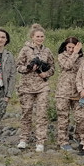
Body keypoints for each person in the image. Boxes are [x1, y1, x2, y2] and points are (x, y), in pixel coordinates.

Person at [16, 24, 55, 152]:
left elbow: (52, 67)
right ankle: (23, 139)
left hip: (42, 86)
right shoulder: (25, 49)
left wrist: (46, 73)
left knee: (42, 113)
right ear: (32, 37)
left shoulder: (47, 51)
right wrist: (27, 69)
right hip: (26, 86)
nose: (40, 38)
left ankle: (40, 141)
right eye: (37, 36)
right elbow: (18, 66)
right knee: (26, 113)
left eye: (42, 36)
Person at [55, 37, 83, 151]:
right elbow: (67, 66)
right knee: (63, 117)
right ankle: (63, 140)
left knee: (80, 116)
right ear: (65, 47)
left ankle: (78, 136)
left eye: (73, 47)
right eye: (69, 47)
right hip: (63, 91)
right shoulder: (61, 56)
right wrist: (75, 53)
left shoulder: (82, 58)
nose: (71, 50)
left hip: (78, 91)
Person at [0, 28, 16, 133]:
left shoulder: (9, 56)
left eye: (3, 37)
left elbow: (12, 76)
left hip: (1, 92)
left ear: (6, 39)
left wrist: (8, 95)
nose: (0, 39)